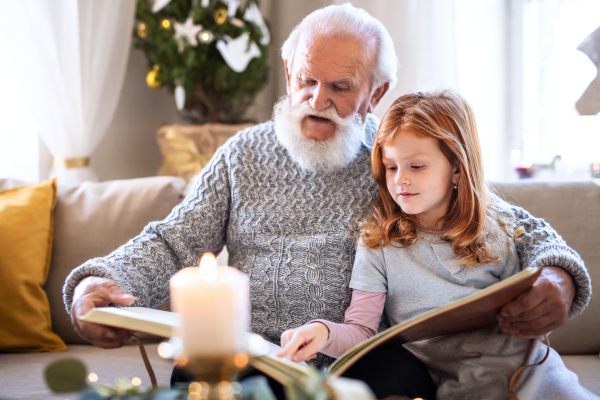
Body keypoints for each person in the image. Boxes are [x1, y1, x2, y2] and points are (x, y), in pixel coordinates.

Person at [64, 4, 590, 398]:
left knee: (403, 381)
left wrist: (559, 277)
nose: (318, 100)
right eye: (306, 80)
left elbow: (511, 221)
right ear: (289, 74)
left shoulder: (396, 162)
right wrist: (99, 281)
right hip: (251, 350)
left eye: (339, 86)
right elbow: (171, 240)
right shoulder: (241, 155)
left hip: (358, 355)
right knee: (198, 374)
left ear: (374, 95)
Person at [277, 90, 596, 399]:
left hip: (534, 374)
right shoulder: (378, 242)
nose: (400, 179)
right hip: (455, 386)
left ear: (456, 168)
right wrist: (323, 334)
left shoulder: (500, 222)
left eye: (417, 166)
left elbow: (549, 248)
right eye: (391, 167)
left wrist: (556, 280)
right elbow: (362, 332)